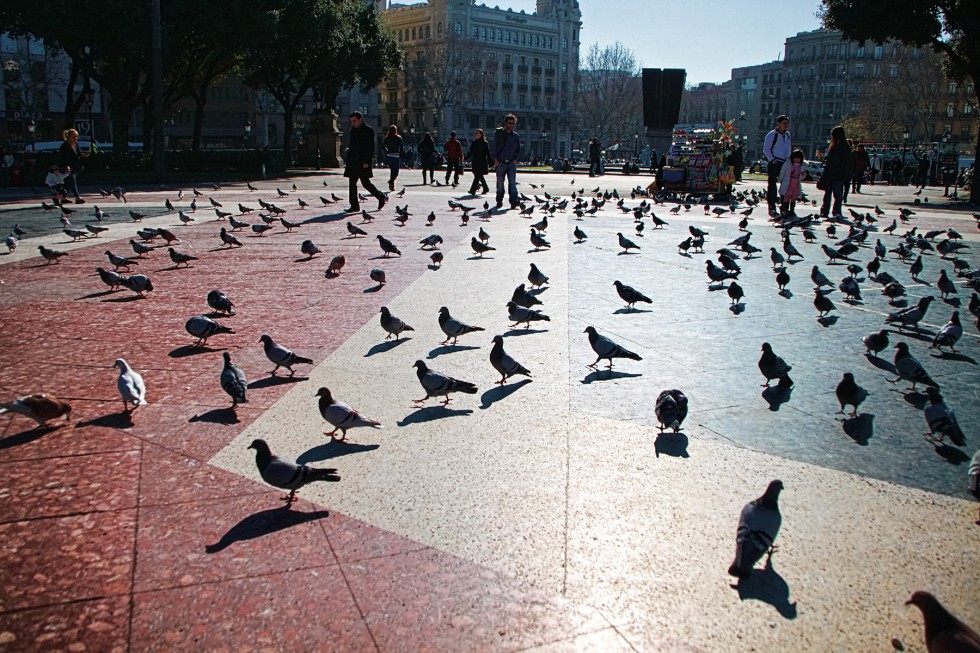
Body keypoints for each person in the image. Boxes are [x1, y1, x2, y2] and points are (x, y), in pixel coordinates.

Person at [343, 111, 385, 213]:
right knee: (352, 183)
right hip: (353, 160)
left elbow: (371, 147)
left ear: (360, 120)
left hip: (363, 161)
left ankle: (380, 197)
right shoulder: (353, 130)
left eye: (354, 121)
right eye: (352, 121)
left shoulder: (368, 130)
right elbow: (352, 146)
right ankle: (354, 206)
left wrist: (367, 161)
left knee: (366, 183)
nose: (353, 123)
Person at [820, 125, 852, 219]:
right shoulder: (844, 147)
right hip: (836, 174)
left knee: (832, 194)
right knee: (834, 194)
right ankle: (835, 211)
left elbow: (837, 161)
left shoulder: (839, 147)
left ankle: (827, 211)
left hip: (835, 173)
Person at [762, 115, 791, 216]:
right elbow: (766, 149)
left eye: (787, 123)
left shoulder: (787, 135)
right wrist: (772, 159)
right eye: (784, 123)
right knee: (772, 185)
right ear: (778, 124)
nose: (786, 126)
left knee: (785, 185)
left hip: (784, 162)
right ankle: (772, 206)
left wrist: (788, 160)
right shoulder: (771, 135)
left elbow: (788, 148)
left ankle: (784, 206)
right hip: (775, 161)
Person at [491, 113, 521, 210]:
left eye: (513, 123)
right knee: (500, 184)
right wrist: (495, 160)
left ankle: (513, 201)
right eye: (509, 123)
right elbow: (494, 147)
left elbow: (518, 150)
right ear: (505, 123)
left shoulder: (516, 136)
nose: (511, 125)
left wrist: (515, 160)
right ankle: (499, 200)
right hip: (501, 162)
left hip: (511, 163)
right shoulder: (499, 134)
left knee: (512, 183)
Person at [58, 128, 88, 203]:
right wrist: (66, 166)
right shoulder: (64, 146)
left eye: (76, 136)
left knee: (68, 183)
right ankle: (77, 197)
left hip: (74, 167)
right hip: (66, 167)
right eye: (74, 136)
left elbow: (78, 154)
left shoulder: (76, 145)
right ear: (69, 137)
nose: (76, 138)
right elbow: (62, 158)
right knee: (72, 181)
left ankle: (63, 197)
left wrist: (84, 155)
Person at [777, 149, 805, 216]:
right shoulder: (788, 164)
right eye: (795, 158)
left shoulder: (801, 166)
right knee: (786, 197)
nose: (796, 160)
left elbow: (803, 175)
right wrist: (780, 179)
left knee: (793, 198)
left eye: (798, 158)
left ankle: (792, 210)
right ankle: (785, 210)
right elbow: (783, 172)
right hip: (788, 183)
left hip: (795, 184)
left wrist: (803, 175)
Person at [465, 128, 492, 195]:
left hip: (482, 161)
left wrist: (490, 162)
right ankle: (485, 188)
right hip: (475, 161)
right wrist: (466, 158)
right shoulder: (474, 143)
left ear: (481, 134)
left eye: (477, 133)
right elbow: (471, 152)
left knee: (477, 176)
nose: (476, 134)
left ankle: (472, 190)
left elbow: (488, 153)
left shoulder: (485, 143)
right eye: (476, 133)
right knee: (479, 176)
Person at [382, 125, 403, 191]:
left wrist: (387, 151)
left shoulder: (387, 138)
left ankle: (392, 186)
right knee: (396, 172)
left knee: (392, 171)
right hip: (396, 155)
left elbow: (383, 146)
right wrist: (401, 154)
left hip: (389, 156)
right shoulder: (399, 138)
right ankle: (391, 181)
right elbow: (401, 147)